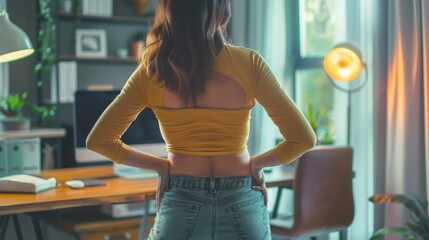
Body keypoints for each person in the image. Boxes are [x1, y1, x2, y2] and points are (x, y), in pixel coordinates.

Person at [86, 0, 316, 239]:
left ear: (170, 13)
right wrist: (255, 165)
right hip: (241, 199)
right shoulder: (250, 63)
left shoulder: (152, 70)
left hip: (181, 199)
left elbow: (99, 141)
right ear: (221, 11)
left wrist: (161, 166)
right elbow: (304, 139)